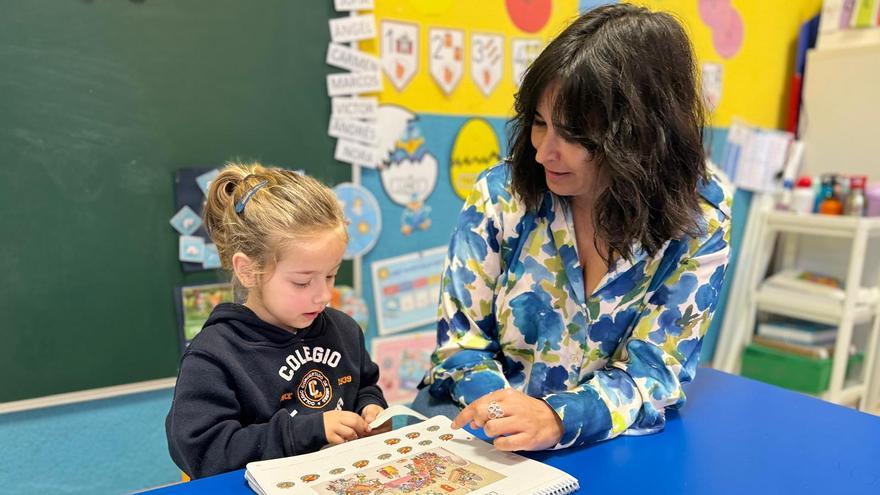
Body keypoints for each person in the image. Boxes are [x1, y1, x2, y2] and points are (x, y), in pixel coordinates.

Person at [415, 4, 733, 452]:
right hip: (476, 430)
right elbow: (460, 346)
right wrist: (503, 414)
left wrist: (557, 418)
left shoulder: (698, 217)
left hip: (601, 447)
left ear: (640, 134)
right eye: (539, 124)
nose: (545, 152)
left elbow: (656, 372)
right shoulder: (502, 194)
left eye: (573, 134)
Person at [166, 163, 387, 478]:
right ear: (248, 271)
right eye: (301, 282)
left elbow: (364, 384)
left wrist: (370, 406)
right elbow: (204, 452)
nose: (323, 295)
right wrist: (305, 431)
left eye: (331, 274)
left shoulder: (344, 330)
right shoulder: (215, 355)